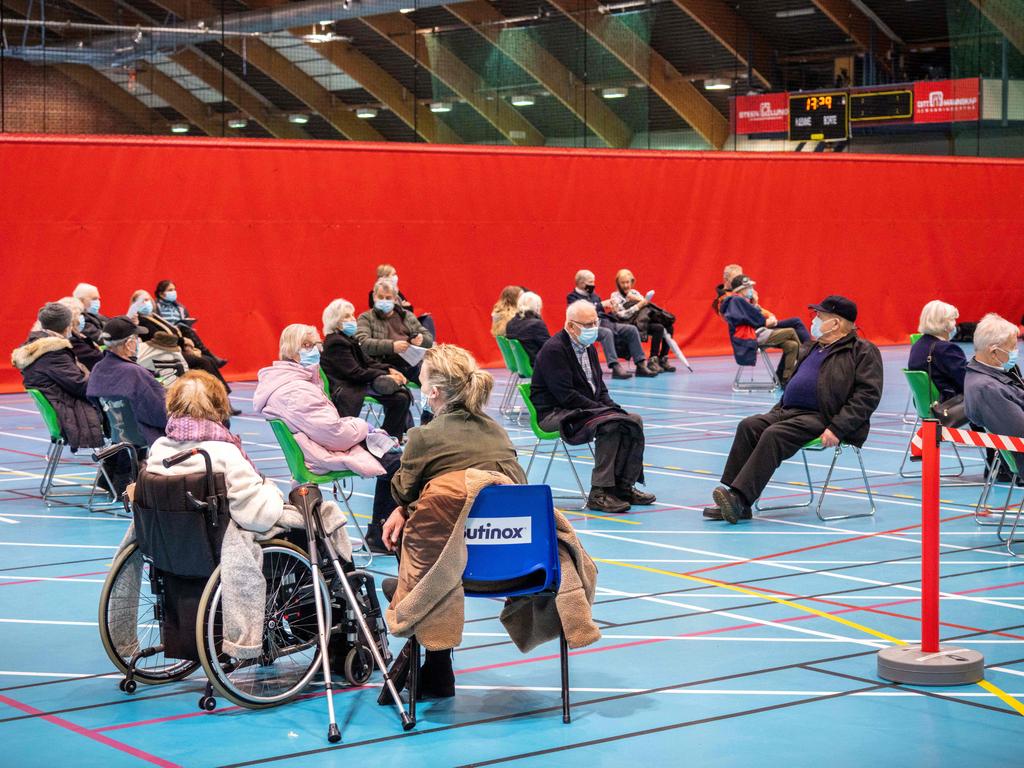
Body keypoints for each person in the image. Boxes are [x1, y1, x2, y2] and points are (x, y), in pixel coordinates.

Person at [380, 344, 527, 699]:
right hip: (515, 562)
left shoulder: (424, 436)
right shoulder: (498, 432)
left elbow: (401, 490)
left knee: (418, 530)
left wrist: (402, 507)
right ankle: (436, 662)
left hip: (448, 568)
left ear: (433, 392)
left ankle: (437, 657)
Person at [706, 295, 883, 524]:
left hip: (825, 418)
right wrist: (777, 409)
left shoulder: (862, 351)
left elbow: (867, 396)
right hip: (788, 411)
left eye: (819, 316)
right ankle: (734, 497)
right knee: (749, 425)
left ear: (836, 323)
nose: (814, 321)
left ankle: (738, 500)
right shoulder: (812, 348)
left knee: (773, 435)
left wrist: (838, 428)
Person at [253, 324, 402, 553]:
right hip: (323, 453)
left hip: (320, 445)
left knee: (390, 448)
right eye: (307, 345)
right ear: (291, 351)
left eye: (316, 344)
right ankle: (381, 534)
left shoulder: (290, 382)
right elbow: (335, 436)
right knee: (399, 465)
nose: (315, 349)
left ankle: (381, 531)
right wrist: (362, 425)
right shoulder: (294, 390)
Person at [529, 301, 656, 514]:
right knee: (610, 424)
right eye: (588, 325)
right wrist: (604, 411)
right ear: (571, 326)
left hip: (584, 410)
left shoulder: (588, 349)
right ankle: (600, 492)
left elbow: (600, 389)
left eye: (595, 322)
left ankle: (623, 486)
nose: (593, 328)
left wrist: (614, 408)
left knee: (632, 420)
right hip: (556, 413)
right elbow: (567, 396)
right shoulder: (554, 350)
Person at [12, 302, 104, 453]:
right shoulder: (53, 353)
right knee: (127, 410)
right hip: (71, 411)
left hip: (64, 406)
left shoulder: (35, 346)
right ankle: (123, 469)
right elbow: (81, 386)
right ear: (67, 325)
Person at [321, 298, 413, 442]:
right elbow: (355, 373)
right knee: (399, 397)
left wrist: (390, 370)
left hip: (359, 383)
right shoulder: (336, 342)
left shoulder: (348, 338)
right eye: (347, 316)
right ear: (336, 321)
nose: (353, 319)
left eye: (352, 315)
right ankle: (386, 438)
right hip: (348, 387)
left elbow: (368, 362)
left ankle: (389, 439)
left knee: (401, 398)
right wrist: (385, 375)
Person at [86, 316, 168, 446]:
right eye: (137, 339)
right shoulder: (135, 373)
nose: (139, 342)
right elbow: (162, 415)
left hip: (118, 441)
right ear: (129, 344)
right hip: (149, 441)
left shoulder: (98, 369)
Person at [964, 313, 1024, 474]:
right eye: (1012, 347)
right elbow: (1020, 432)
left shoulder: (991, 374)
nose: (1016, 351)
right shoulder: (987, 388)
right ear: (993, 352)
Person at [566, 269, 654, 379]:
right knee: (607, 333)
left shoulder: (594, 295)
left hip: (605, 322)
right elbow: (581, 313)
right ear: (581, 283)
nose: (593, 285)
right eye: (591, 282)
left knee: (631, 329)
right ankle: (614, 365)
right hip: (587, 327)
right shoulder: (572, 297)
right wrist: (601, 305)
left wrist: (612, 308)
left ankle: (640, 363)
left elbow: (601, 312)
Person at [720, 275, 801, 384]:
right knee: (791, 331)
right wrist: (766, 320)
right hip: (750, 337)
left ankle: (785, 379)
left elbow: (753, 317)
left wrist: (755, 304)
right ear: (741, 289)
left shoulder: (742, 301)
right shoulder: (737, 300)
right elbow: (758, 320)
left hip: (755, 333)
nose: (751, 290)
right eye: (749, 287)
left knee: (792, 345)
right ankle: (805, 364)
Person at [356, 278, 434, 386]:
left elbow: (429, 339)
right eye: (380, 297)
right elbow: (362, 343)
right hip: (385, 365)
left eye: (388, 298)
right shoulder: (365, 318)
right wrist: (392, 346)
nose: (384, 301)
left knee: (436, 374)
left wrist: (421, 340)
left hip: (412, 361)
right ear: (374, 297)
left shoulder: (407, 315)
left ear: (395, 299)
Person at [610, 268, 688, 373]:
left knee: (668, 327)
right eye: (622, 283)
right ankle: (652, 360)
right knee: (658, 328)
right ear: (618, 283)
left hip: (642, 321)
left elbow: (645, 307)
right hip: (629, 324)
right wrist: (638, 305)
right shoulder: (614, 296)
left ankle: (662, 358)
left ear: (632, 282)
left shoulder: (635, 293)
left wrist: (641, 300)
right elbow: (621, 315)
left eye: (627, 282)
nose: (625, 285)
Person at [154, 280, 228, 369]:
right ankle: (208, 353)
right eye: (170, 290)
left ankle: (209, 357)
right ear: (161, 294)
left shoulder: (181, 308)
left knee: (187, 329)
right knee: (186, 330)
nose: (173, 292)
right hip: (166, 335)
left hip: (183, 335)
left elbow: (187, 324)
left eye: (174, 289)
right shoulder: (155, 307)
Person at [909, 300, 966, 402]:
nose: (955, 324)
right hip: (951, 406)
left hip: (928, 404)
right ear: (944, 324)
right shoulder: (947, 349)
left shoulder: (917, 346)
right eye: (953, 320)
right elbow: (966, 382)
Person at [367, 264, 436, 339]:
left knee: (426, 319)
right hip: (391, 323)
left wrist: (403, 307)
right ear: (384, 277)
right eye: (393, 274)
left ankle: (431, 345)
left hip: (403, 319)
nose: (395, 277)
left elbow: (410, 309)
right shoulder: (374, 293)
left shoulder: (397, 291)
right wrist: (402, 306)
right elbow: (382, 311)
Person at [504, 291, 550, 364]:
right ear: (537, 306)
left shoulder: (510, 324)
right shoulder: (536, 324)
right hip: (536, 364)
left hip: (520, 365)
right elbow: (549, 347)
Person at [57, 296, 103, 370]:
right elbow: (97, 359)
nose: (83, 317)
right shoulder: (72, 341)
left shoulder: (74, 335)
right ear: (72, 318)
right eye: (80, 314)